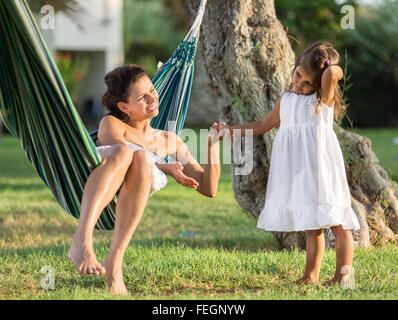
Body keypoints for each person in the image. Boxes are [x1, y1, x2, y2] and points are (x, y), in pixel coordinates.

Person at [67, 64, 221, 295]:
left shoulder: (171, 141)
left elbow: (208, 188)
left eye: (152, 90)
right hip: (102, 189)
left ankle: (114, 264)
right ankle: (82, 239)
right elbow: (122, 156)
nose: (152, 98)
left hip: (130, 198)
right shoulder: (110, 124)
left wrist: (213, 147)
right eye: (142, 97)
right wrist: (165, 167)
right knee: (129, 154)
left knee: (140, 157)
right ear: (124, 107)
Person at [217, 42, 360, 286]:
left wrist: (327, 67)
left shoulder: (321, 99)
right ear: (294, 67)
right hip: (298, 170)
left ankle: (343, 277)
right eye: (298, 76)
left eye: (308, 83)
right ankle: (310, 275)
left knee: (337, 221)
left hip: (322, 169)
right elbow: (262, 126)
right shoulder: (287, 100)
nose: (300, 84)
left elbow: (335, 73)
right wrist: (229, 130)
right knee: (311, 225)